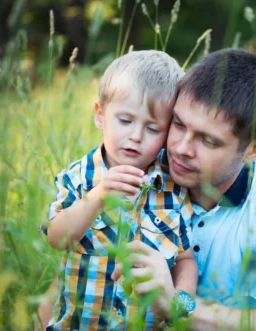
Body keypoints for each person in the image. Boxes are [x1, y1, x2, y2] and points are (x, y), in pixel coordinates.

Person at [112, 48, 256, 330]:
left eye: (208, 141)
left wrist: (179, 305)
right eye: (178, 124)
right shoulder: (145, 165)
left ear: (254, 149)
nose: (180, 149)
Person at [41, 50, 197, 330]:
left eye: (152, 128)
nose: (136, 136)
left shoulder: (172, 187)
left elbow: (185, 258)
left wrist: (180, 304)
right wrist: (97, 197)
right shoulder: (79, 177)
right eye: (125, 121)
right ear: (100, 115)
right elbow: (57, 239)